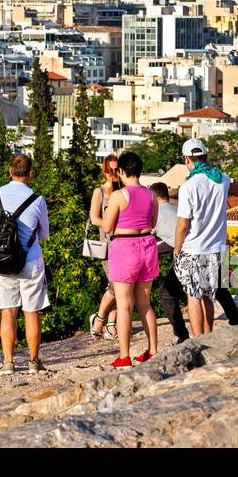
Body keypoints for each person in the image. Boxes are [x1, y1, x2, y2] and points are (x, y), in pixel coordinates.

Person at [154, 178, 238, 340]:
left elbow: (151, 239)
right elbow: (173, 239)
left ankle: (184, 337)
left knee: (168, 295)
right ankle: (236, 321)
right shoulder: (175, 208)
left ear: (154, 197)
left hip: (188, 255)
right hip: (208, 249)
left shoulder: (156, 215)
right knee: (217, 288)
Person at [0, 154, 51, 375]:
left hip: (3, 259)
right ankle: (34, 362)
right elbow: (44, 234)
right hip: (30, 259)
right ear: (30, 173)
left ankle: (8, 362)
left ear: (9, 171)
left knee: (8, 311)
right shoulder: (38, 199)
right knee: (31, 311)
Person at [100, 150, 159, 367]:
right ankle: (153, 350)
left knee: (124, 304)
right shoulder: (152, 195)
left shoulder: (118, 196)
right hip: (148, 246)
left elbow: (107, 227)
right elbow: (152, 222)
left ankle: (124, 355)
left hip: (125, 247)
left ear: (122, 171)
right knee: (145, 303)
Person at [170, 139, 232, 337]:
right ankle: (209, 335)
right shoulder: (223, 180)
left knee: (193, 295)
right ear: (205, 156)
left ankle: (197, 339)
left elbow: (182, 225)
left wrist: (176, 249)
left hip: (193, 248)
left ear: (187, 159)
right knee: (208, 296)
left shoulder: (188, 186)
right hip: (215, 247)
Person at [87, 154, 120, 340]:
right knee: (115, 285)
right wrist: (111, 224)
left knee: (120, 285)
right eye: (109, 170)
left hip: (124, 243)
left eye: (115, 170)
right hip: (108, 245)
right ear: (104, 170)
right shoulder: (99, 192)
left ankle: (110, 324)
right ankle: (99, 319)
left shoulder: (123, 190)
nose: (112, 174)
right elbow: (94, 218)